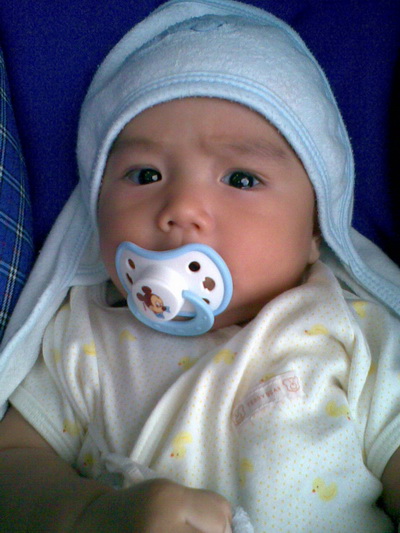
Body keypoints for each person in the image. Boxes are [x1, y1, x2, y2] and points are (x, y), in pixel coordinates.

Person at [0, 0, 400, 531]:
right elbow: (12, 464)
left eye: (241, 179)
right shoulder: (82, 338)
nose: (182, 208)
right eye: (145, 175)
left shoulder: (355, 333)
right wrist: (90, 514)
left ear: (315, 230)